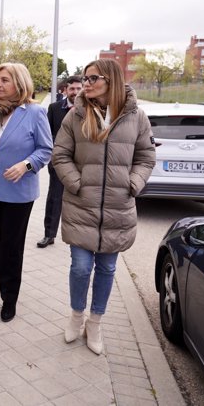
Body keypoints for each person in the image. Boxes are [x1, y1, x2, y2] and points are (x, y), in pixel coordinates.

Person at [52, 59, 155, 354]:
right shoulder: (75, 115)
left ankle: (95, 322)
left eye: (92, 77)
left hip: (117, 207)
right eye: (84, 78)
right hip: (81, 204)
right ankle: (76, 316)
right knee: (82, 267)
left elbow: (146, 157)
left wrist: (132, 184)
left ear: (110, 80)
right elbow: (60, 155)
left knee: (107, 268)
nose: (86, 83)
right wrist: (78, 184)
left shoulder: (137, 117)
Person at [0, 63, 52, 322]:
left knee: (12, 247)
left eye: (5, 80)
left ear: (20, 84)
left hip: (18, 193)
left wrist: (26, 165)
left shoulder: (35, 113)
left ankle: (9, 298)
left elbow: (45, 149)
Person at [37, 76, 82, 248]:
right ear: (65, 90)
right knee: (55, 197)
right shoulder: (55, 108)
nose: (76, 92)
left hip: (82, 164)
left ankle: (79, 237)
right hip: (59, 161)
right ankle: (49, 235)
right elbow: (47, 135)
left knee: (81, 199)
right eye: (72, 89)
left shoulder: (90, 109)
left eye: (79, 89)